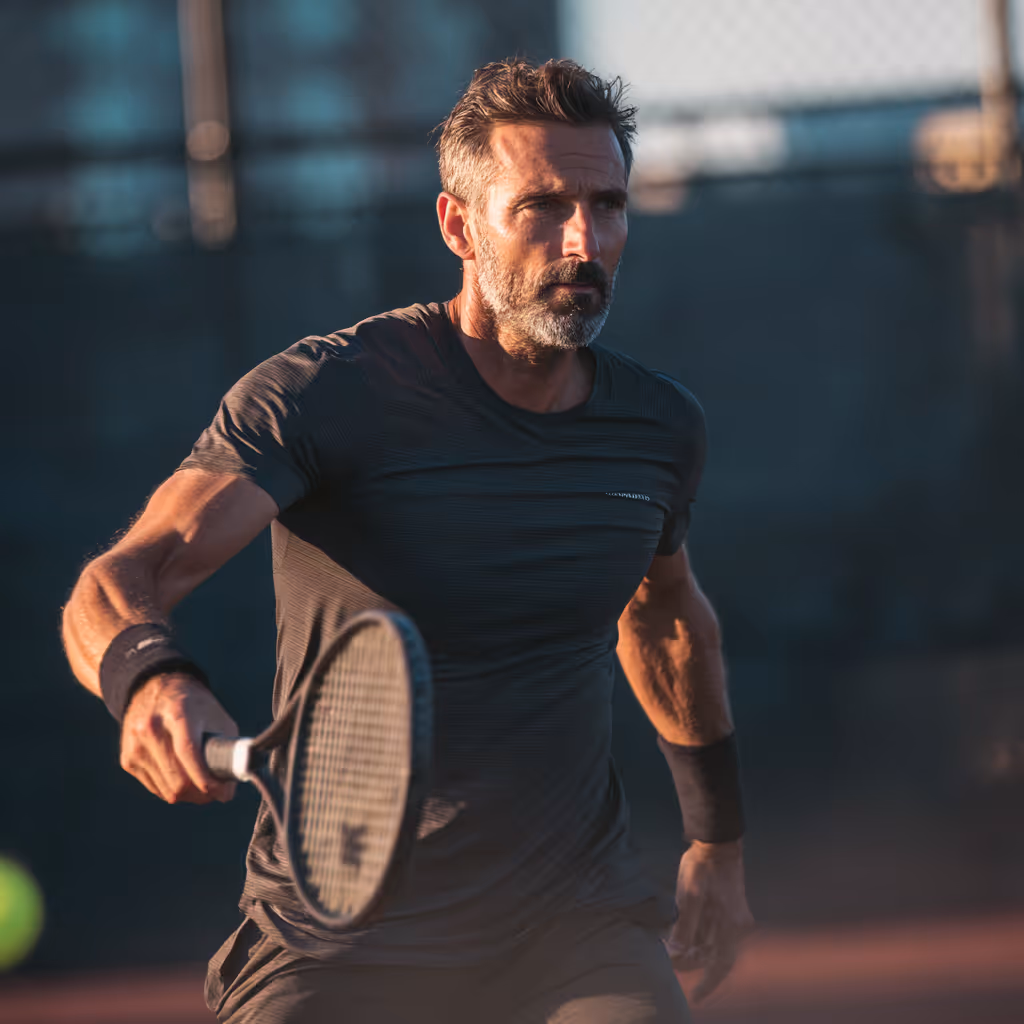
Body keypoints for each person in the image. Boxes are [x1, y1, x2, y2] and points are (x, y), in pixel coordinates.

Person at [62, 58, 754, 1023]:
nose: (584, 241)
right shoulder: (326, 393)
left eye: (607, 204)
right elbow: (122, 577)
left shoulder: (658, 426)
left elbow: (667, 619)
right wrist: (150, 678)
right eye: (543, 207)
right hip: (337, 934)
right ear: (459, 225)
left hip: (573, 927)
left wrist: (716, 842)